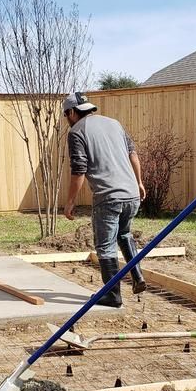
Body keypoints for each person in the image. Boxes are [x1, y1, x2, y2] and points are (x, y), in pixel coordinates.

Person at [62, 92, 147, 307]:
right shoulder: (114, 124)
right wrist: (139, 182)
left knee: (105, 245)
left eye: (66, 115)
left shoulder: (76, 132)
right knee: (125, 234)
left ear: (72, 112)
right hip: (131, 195)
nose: (67, 119)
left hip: (108, 197)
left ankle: (112, 296)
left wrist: (71, 201)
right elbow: (133, 154)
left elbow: (79, 170)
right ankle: (137, 276)